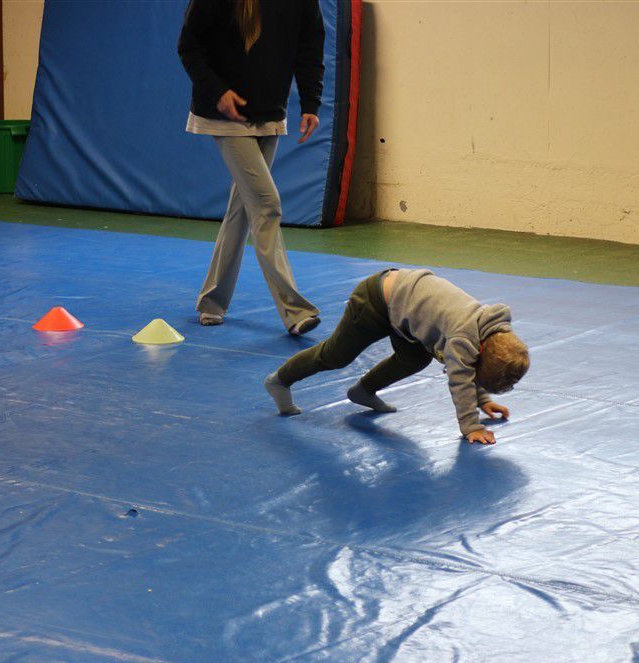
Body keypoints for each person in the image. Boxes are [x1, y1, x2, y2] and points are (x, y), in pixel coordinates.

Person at [178, 0, 325, 335]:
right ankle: (295, 310)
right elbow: (188, 45)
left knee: (243, 208)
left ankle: (212, 302)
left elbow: (309, 46)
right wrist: (217, 92)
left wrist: (310, 102)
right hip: (226, 115)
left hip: (270, 112)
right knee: (266, 205)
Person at [264, 269, 531, 444]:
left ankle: (363, 392)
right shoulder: (464, 338)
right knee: (335, 356)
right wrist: (471, 426)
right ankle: (279, 380)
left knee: (414, 358)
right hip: (375, 300)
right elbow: (460, 379)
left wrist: (483, 400)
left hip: (407, 311)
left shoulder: (496, 332)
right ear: (481, 351)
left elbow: (473, 365)